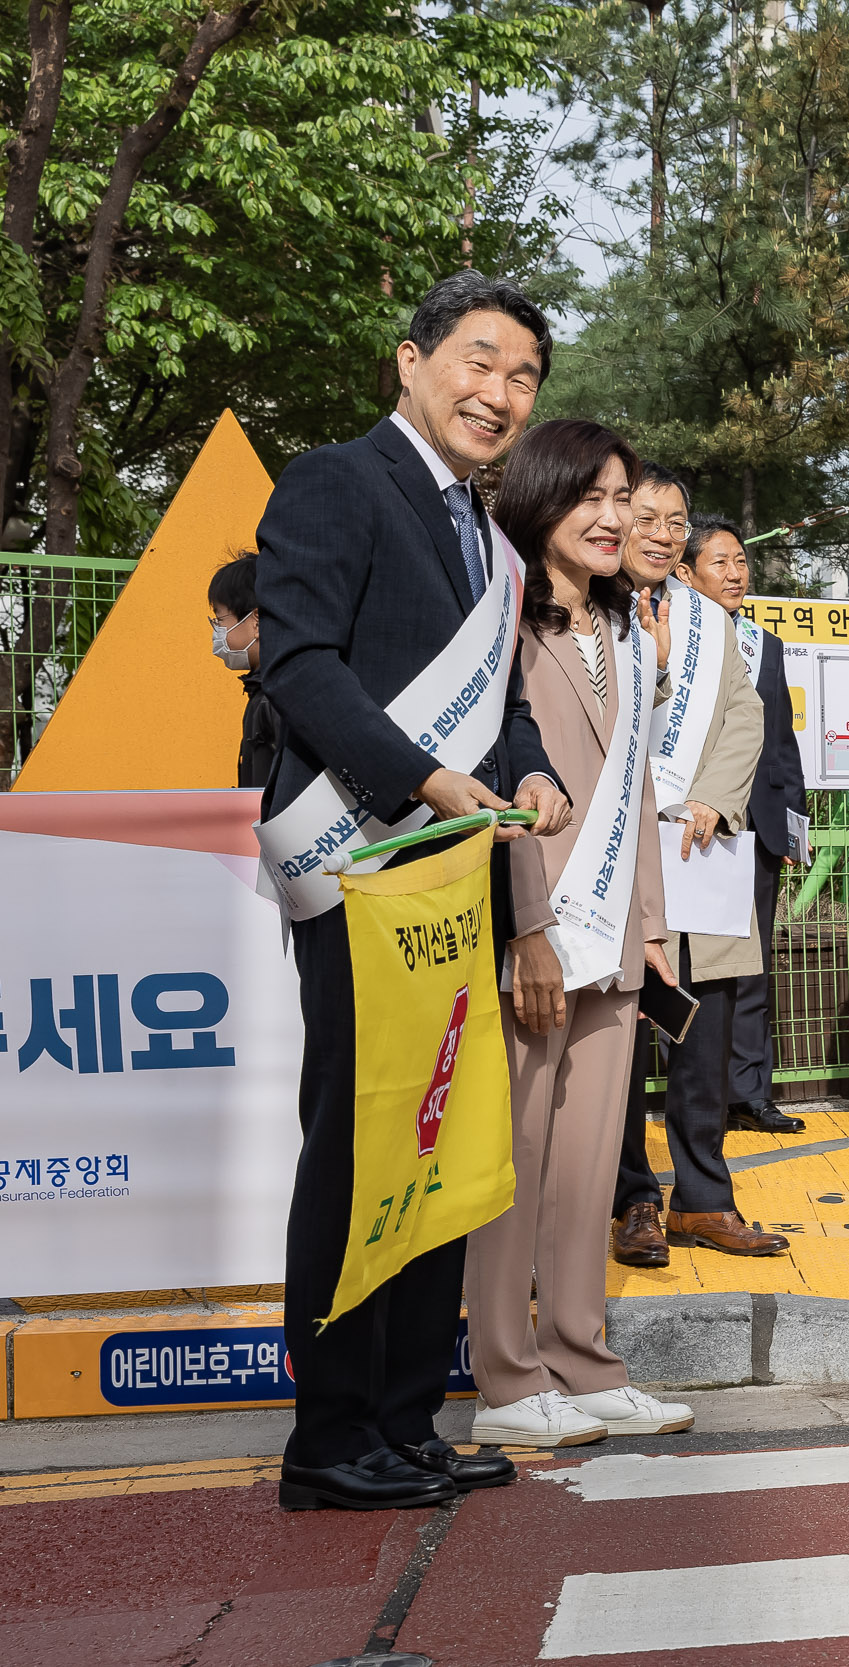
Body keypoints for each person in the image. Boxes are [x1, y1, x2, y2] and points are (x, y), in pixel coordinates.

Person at [255, 272, 571, 1512]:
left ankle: (405, 1421)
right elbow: (299, 663)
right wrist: (428, 777)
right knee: (358, 1145)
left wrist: (529, 771)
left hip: (449, 879)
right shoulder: (337, 480)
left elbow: (513, 704)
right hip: (360, 863)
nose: (499, 394)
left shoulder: (484, 538)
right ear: (411, 360)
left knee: (433, 1148)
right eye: (479, 362)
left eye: (524, 377)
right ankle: (330, 1434)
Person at [468, 418, 692, 1450]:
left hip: (615, 941)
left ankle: (582, 1357)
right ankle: (507, 1375)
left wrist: (650, 924)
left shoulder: (626, 630)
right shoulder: (502, 621)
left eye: (625, 498)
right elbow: (503, 794)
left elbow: (637, 787)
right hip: (539, 929)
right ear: (542, 500)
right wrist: (530, 930)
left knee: (590, 1161)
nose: (615, 518)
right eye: (593, 498)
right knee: (514, 1155)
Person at [608, 482, 788, 1267]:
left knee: (704, 1032)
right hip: (614, 855)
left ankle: (703, 1198)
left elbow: (746, 716)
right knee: (617, 1034)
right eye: (645, 518)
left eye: (674, 522)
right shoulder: (589, 607)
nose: (661, 533)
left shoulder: (714, 624)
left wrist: (715, 796)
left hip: (696, 848)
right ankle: (632, 1199)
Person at [682, 517, 810, 1141]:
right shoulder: (665, 637)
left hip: (754, 829)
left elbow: (783, 744)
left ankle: (748, 1091)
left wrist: (794, 831)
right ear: (685, 573)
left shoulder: (764, 644)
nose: (736, 574)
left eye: (741, 562)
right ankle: (695, 1091)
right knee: (688, 970)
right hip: (687, 828)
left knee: (753, 966)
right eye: (720, 563)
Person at [208, 553, 279, 789]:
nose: (217, 632)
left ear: (256, 621)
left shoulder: (274, 699)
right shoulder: (263, 692)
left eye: (220, 620)